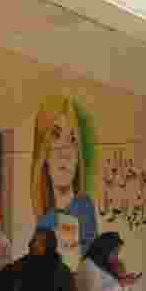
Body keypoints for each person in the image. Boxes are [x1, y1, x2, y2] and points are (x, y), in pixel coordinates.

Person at [32, 95, 98, 270]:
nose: (65, 153)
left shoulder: (84, 206)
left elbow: (89, 257)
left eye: (72, 140)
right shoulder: (45, 221)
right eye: (56, 136)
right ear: (44, 153)